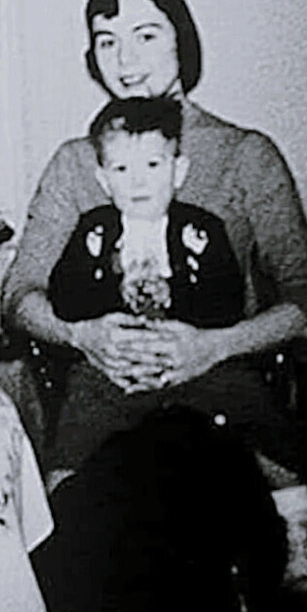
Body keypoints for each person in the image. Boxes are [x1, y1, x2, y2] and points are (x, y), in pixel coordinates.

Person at [2, 0, 307, 612]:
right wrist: (82, 335)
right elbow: (18, 295)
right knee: (96, 520)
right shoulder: (77, 163)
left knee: (186, 500)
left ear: (183, 40)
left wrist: (213, 346)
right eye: (106, 41)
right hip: (106, 386)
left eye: (145, 35)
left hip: (217, 396)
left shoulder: (243, 155)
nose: (124, 59)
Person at [48, 96, 249, 471]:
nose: (138, 181)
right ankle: (62, 492)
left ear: (178, 170)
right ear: (103, 179)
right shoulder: (94, 231)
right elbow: (65, 299)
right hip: (112, 369)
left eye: (153, 165)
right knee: (80, 410)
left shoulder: (203, 229)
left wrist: (177, 296)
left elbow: (227, 303)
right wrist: (110, 293)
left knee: (247, 399)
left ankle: (290, 497)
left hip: (194, 364)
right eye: (121, 168)